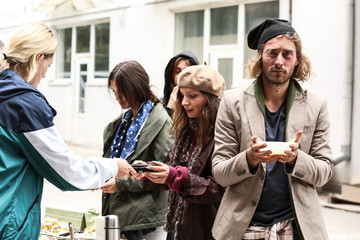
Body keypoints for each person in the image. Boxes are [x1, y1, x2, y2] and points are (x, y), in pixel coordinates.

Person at [0, 23, 136, 240]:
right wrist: (112, 166)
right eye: (48, 66)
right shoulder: (24, 104)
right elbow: (67, 172)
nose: (44, 75)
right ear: (38, 58)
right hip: (8, 224)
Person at [211, 19, 333, 240]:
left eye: (287, 54)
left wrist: (297, 160)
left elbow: (324, 172)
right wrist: (249, 158)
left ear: (297, 60)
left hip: (296, 227)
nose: (279, 61)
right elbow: (220, 173)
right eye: (272, 53)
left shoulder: (317, 105)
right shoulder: (232, 102)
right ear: (260, 58)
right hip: (243, 227)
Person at [140, 65, 226, 240]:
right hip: (183, 227)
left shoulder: (223, 134)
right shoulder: (187, 131)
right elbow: (172, 172)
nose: (184, 102)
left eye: (192, 96)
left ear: (211, 99)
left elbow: (218, 189)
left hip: (210, 230)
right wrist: (150, 173)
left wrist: (174, 177)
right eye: (182, 95)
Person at [100, 60, 174, 240]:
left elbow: (164, 175)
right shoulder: (120, 123)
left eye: (120, 91)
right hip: (120, 215)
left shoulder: (160, 121)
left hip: (147, 221)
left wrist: (120, 184)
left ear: (135, 87)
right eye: (114, 91)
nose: (117, 97)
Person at [162, 51, 199, 116]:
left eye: (186, 71)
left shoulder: (202, 100)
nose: (182, 75)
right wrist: (169, 108)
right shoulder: (159, 105)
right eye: (178, 71)